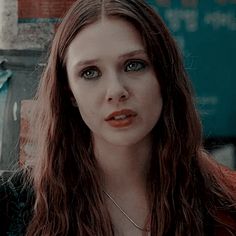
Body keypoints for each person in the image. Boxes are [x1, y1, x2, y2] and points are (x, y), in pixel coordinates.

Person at [0, 0, 236, 235]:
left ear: (164, 74)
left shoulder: (226, 203)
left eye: (134, 65)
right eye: (90, 72)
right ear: (68, 92)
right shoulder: (13, 207)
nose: (115, 91)